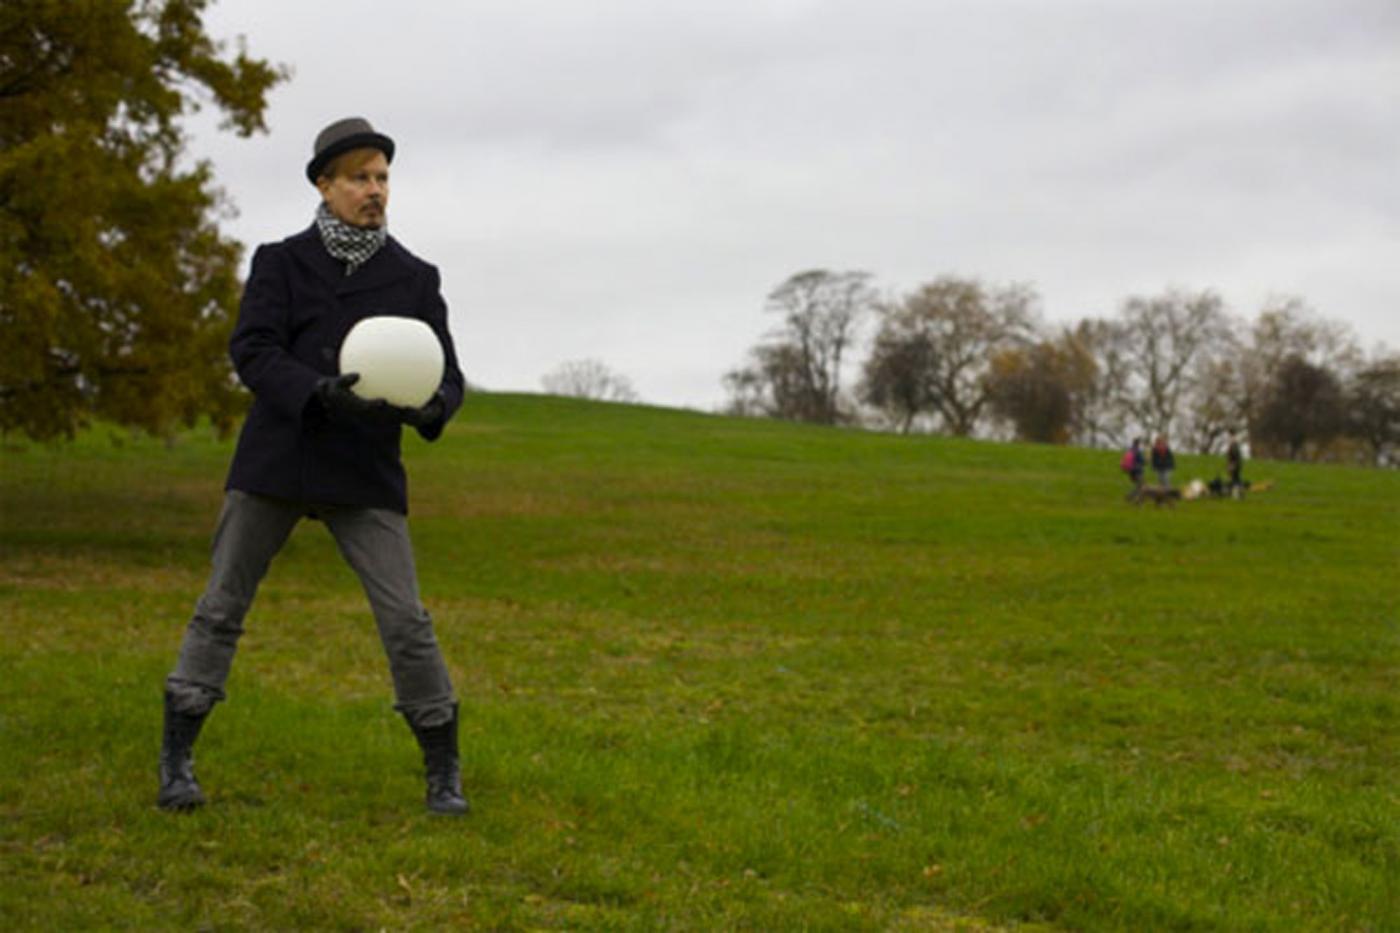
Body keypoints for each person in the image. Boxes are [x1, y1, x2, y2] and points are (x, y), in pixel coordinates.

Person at [157, 118, 469, 815]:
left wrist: (433, 408)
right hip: (278, 458)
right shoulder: (279, 262)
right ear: (325, 186)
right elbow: (253, 350)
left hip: (365, 470)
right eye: (359, 178)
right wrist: (313, 392)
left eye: (382, 177)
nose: (375, 190)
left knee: (407, 621)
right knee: (221, 606)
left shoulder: (415, 277)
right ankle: (177, 759)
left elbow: (448, 374)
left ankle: (443, 772)